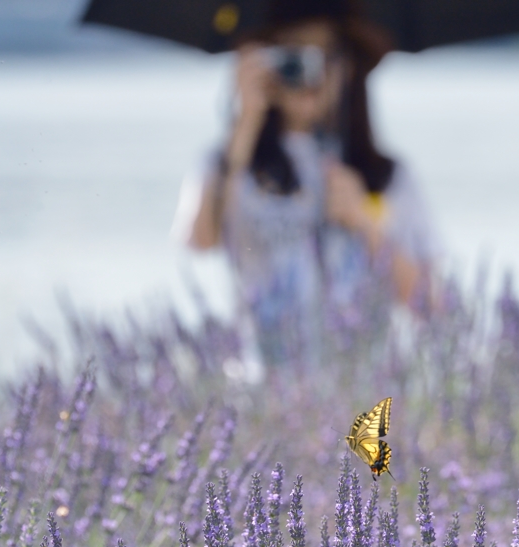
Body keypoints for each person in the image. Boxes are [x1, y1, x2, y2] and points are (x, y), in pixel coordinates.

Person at [180, 0, 436, 368]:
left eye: (326, 56)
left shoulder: (386, 174)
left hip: (364, 405)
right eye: (293, 54)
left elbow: (429, 304)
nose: (310, 71)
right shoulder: (227, 161)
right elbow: (201, 240)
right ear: (266, 61)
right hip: (263, 395)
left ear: (349, 68)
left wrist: (364, 221)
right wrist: (244, 122)